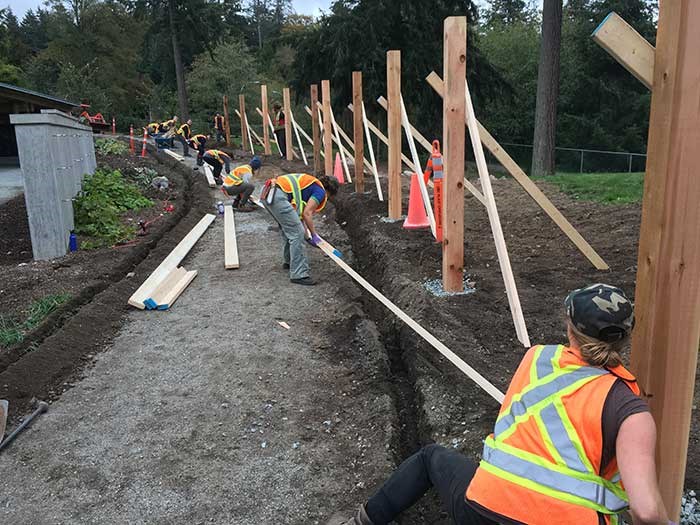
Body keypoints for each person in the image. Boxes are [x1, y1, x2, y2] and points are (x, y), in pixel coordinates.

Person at [329, 283, 672, 525]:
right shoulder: (630, 410)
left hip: (484, 509)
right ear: (626, 337)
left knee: (429, 457)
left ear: (570, 329)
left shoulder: (536, 360)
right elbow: (646, 511)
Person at [262, 173, 339, 286]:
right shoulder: (320, 191)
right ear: (329, 191)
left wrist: (307, 236)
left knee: (288, 229)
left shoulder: (308, 186)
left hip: (268, 192)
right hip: (277, 196)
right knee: (297, 233)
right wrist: (314, 235)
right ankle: (299, 274)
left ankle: (289, 261)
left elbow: (299, 218)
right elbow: (307, 213)